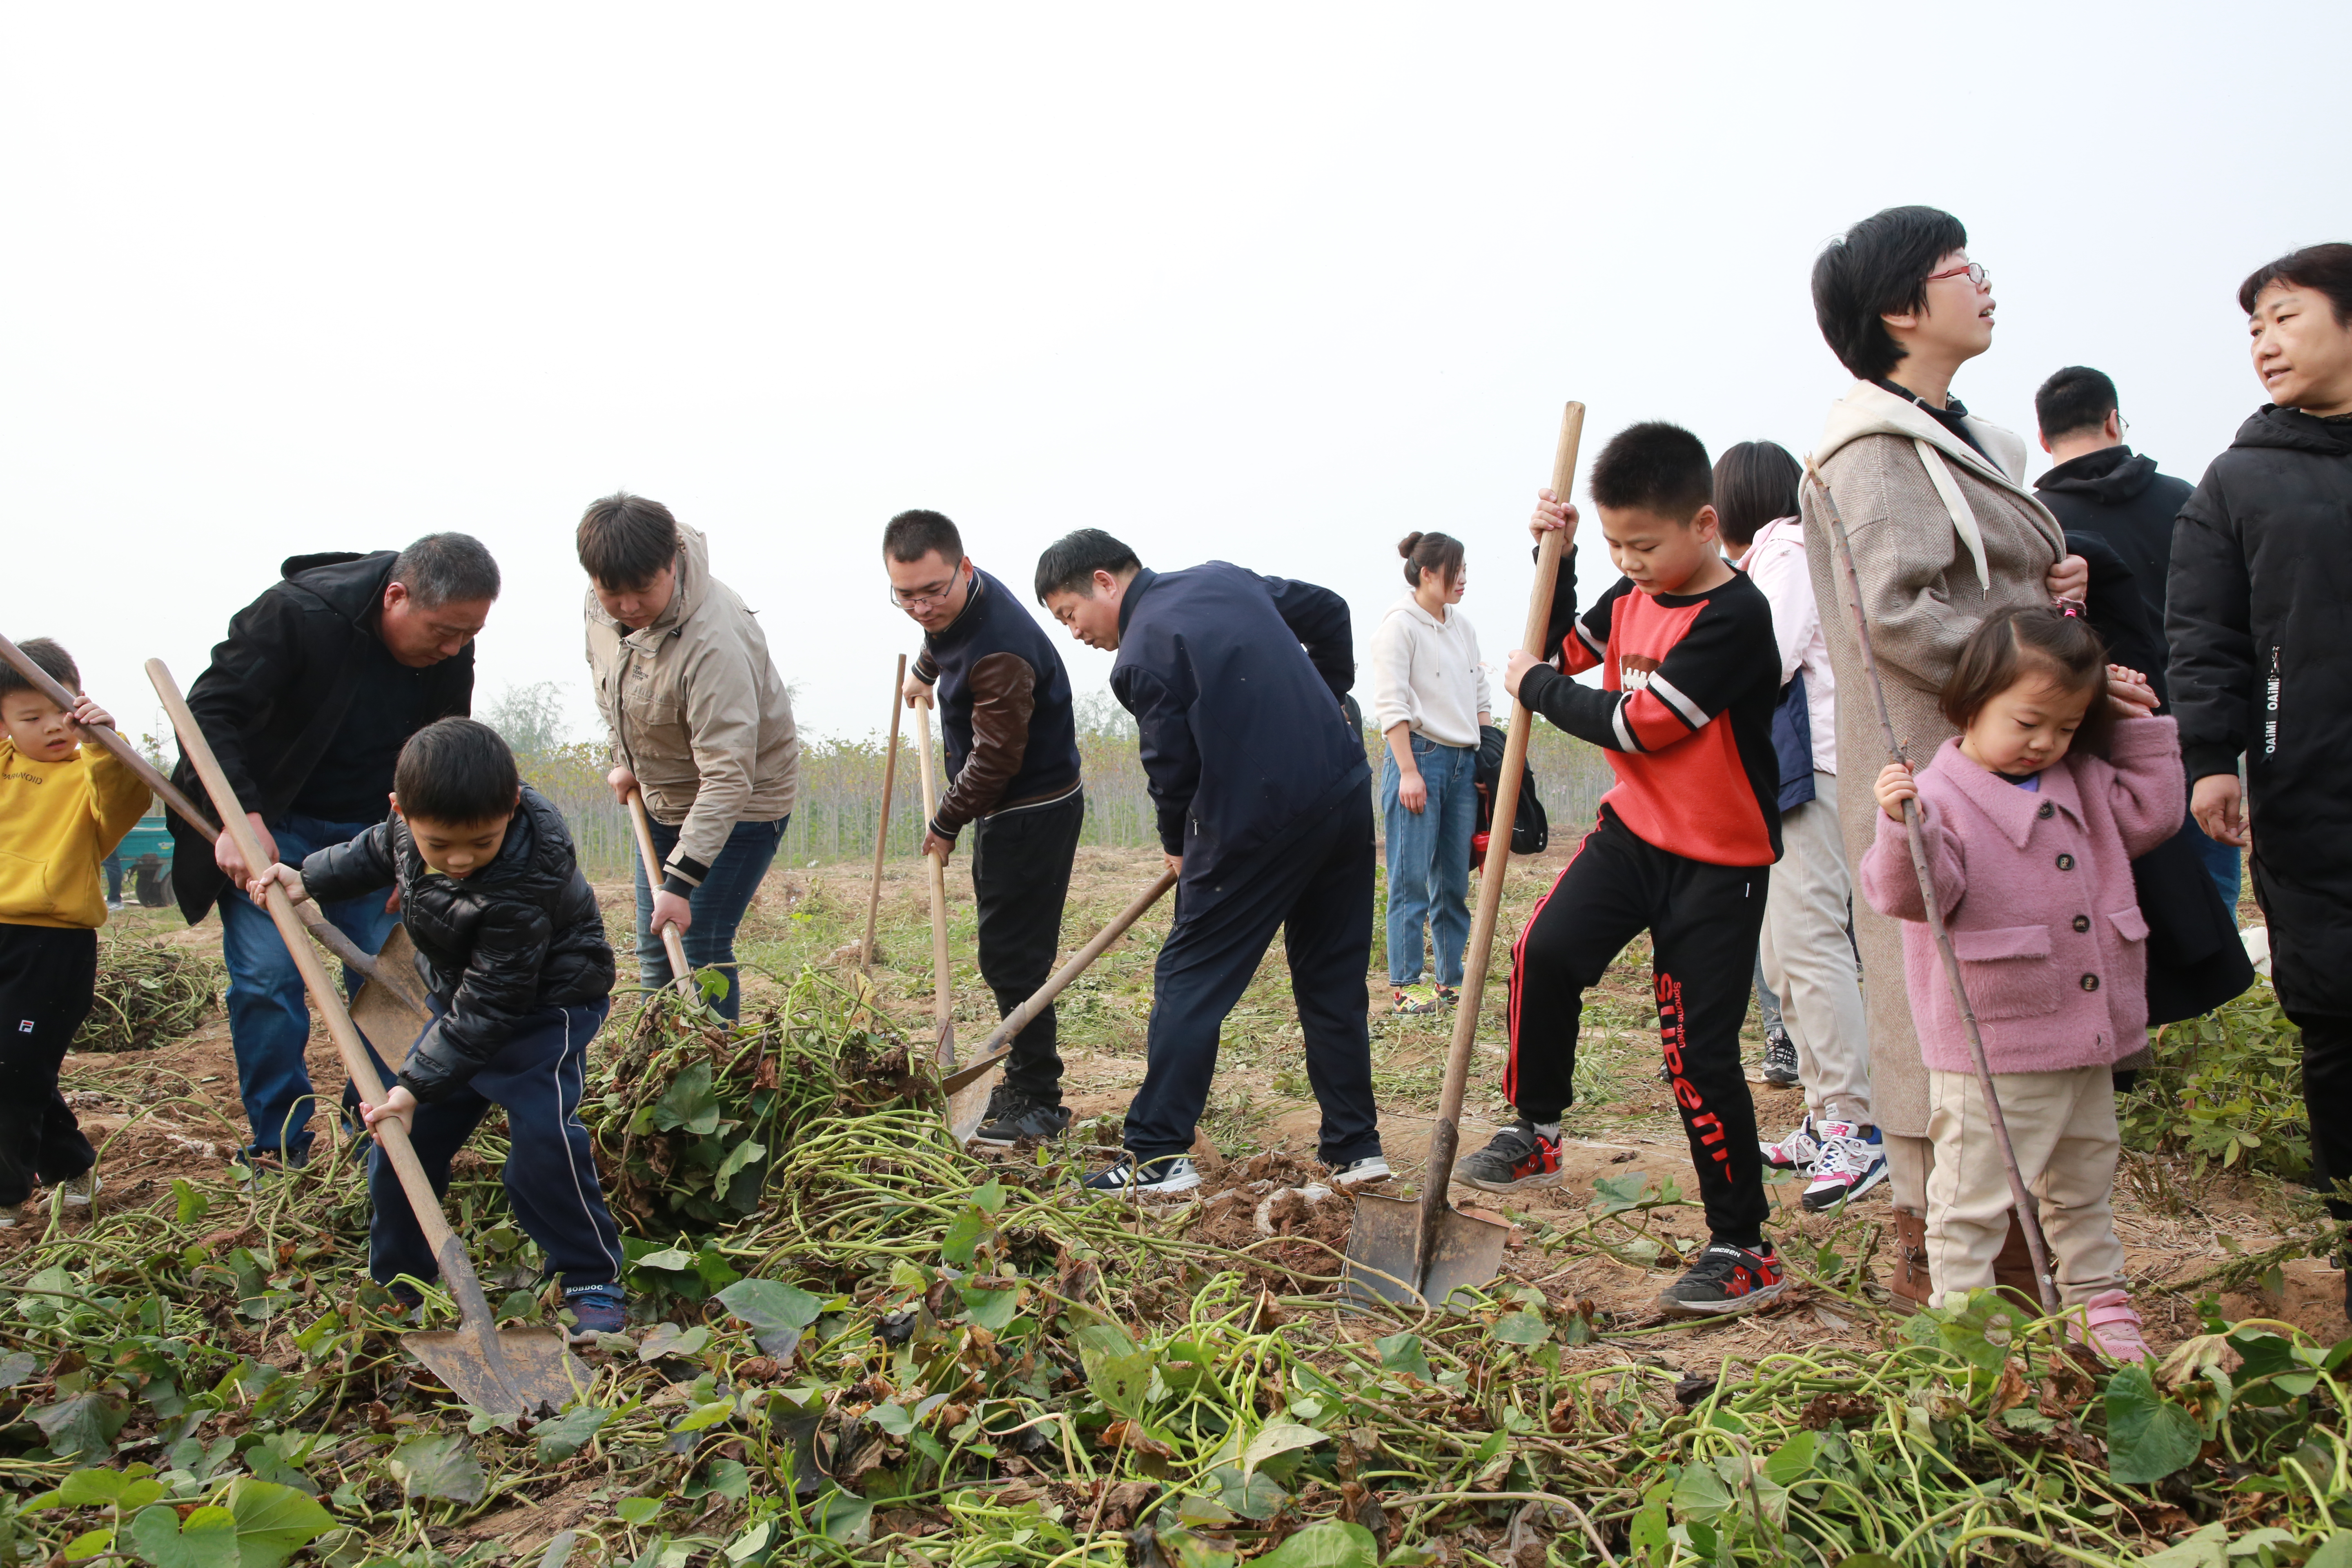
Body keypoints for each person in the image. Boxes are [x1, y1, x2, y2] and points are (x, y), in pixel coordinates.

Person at [1801, 205, 2085, 1309]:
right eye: (1959, 269)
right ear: (1900, 310)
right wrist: (2045, 673)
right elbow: (1902, 614)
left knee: (2009, 997)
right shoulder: (1873, 451)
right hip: (1941, 769)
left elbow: (1989, 586)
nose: (1984, 284)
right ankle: (1948, 1263)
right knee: (1952, 1001)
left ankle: (2010, 1256)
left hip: (2012, 764)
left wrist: (2054, 599)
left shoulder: (1971, 440)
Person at [1462, 421, 1787, 1315]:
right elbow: (1565, 648)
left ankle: (1743, 1248)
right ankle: (1536, 1127)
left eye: (1642, 545)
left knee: (1697, 1055)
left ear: (1705, 525)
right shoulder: (1631, 590)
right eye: (1616, 543)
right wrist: (1556, 554)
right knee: (1546, 954)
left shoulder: (1734, 618)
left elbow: (1643, 724)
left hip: (1720, 862)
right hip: (1635, 832)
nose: (1630, 561)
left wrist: (1531, 687)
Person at [245, 719, 628, 1337]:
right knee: (403, 1140)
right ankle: (401, 1283)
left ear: (509, 807)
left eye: (481, 843)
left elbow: (494, 1005)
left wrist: (415, 1082)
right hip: (460, 1003)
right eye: (438, 844)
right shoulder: (407, 826)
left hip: (543, 1010)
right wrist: (306, 876)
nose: (458, 861)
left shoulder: (525, 884)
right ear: (403, 810)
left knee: (542, 1143)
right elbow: (374, 850)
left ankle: (591, 1276)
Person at [1861, 608, 2173, 1359]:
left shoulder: (2083, 780)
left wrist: (2136, 724)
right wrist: (1903, 826)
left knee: (2084, 1185)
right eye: (2030, 722)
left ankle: (2101, 1306)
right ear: (1972, 704)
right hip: (1993, 1046)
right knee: (1971, 1202)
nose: (2047, 743)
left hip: (2086, 1038)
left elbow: (2156, 813)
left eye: (2067, 728)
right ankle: (1970, 1333)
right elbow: (1906, 896)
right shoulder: (1939, 795)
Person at [1035, 530, 1385, 1196]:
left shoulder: (1140, 656)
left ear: (1105, 582)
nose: (1074, 632)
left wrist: (1178, 843)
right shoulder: (1224, 579)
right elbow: (1330, 610)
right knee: (1331, 980)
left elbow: (1172, 768)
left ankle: (1156, 1156)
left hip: (1258, 822)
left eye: (1069, 615)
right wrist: (1331, 700)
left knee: (1188, 975)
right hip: (1341, 791)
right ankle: (1355, 1148)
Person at [167, 535, 500, 1169]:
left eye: (469, 634)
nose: (455, 648)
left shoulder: (450, 644)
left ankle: (374, 1131)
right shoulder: (296, 616)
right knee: (267, 981)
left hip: (375, 837)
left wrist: (416, 855)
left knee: (397, 984)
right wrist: (240, 818)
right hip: (276, 827)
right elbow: (209, 713)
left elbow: (439, 751)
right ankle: (278, 1144)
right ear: (396, 596)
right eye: (444, 632)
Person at [2169, 242, 2352, 1307]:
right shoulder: (2240, 480)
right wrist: (2211, 759)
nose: (2266, 343)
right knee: (2334, 1008)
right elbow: (2205, 634)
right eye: (2253, 329)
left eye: (2285, 317)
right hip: (2311, 783)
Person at [1715, 440, 1882, 1211]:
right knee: (1785, 954)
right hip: (1794, 775)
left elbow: (1768, 656)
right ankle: (1824, 1115)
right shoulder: (1783, 551)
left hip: (1812, 767)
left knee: (1812, 945)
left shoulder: (1784, 546)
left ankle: (1857, 1125)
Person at [883, 509, 1085, 1145]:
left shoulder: (999, 649)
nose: (920, 607)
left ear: (964, 570)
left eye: (932, 591)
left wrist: (945, 822)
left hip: (1029, 810)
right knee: (1007, 951)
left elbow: (996, 759)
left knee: (1013, 956)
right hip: (1011, 805)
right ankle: (1027, 1082)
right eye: (905, 595)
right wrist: (924, 669)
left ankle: (1038, 1100)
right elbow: (944, 634)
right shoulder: (958, 604)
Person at [580, 494, 800, 1025]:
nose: (628, 607)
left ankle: (718, 1083)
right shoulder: (598, 607)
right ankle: (667, 1075)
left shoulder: (712, 639)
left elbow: (728, 774)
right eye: (614, 593)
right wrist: (625, 756)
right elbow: (613, 685)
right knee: (657, 946)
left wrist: (680, 884)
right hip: (662, 797)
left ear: (671, 565)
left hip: (743, 803)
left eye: (643, 590)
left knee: (697, 945)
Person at [2031, 366, 2236, 907]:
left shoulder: (2040, 524)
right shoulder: (2185, 499)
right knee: (2213, 882)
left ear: (2043, 438)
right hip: (2197, 718)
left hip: (2102, 728)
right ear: (2114, 422)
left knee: (2128, 893)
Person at [0, 640, 149, 1226]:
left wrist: (104, 743)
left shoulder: (95, 774)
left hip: (53, 945)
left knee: (13, 1062)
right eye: (30, 718)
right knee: (17, 1067)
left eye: (60, 710)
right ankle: (70, 1166)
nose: (52, 728)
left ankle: (8, 1195)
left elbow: (123, 796)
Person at [1368, 531, 1490, 1016]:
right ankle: (1407, 985)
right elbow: (1391, 704)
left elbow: (1479, 693)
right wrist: (1408, 772)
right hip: (1418, 759)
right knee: (1410, 879)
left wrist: (1487, 756)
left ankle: (1450, 981)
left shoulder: (1462, 627)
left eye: (1465, 569)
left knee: (1453, 884)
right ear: (1428, 574)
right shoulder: (1399, 627)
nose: (1463, 579)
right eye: (1455, 570)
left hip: (1462, 764)